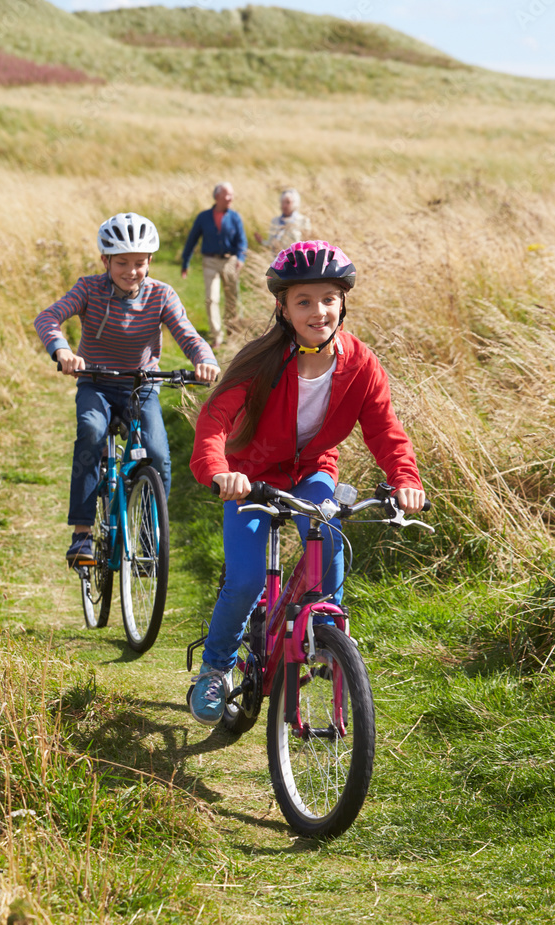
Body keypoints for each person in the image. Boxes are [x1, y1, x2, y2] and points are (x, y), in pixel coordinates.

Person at [188, 239, 426, 726]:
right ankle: (215, 668)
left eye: (328, 298)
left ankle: (322, 637)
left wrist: (405, 478)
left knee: (330, 541)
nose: (318, 310)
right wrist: (219, 473)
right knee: (248, 578)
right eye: (303, 301)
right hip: (249, 477)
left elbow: (385, 430)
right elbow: (214, 421)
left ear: (343, 302)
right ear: (283, 307)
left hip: (314, 469)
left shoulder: (361, 365)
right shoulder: (260, 361)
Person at [35, 212, 220, 568]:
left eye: (139, 263)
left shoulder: (161, 295)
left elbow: (188, 335)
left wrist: (205, 360)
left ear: (150, 261)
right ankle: (82, 534)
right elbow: (48, 318)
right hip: (96, 383)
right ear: (106, 260)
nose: (131, 271)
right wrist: (63, 351)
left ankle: (150, 540)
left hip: (142, 385)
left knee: (157, 453)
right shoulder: (88, 288)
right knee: (90, 431)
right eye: (122, 263)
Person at [180, 182, 248, 349]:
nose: (230, 198)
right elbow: (192, 240)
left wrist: (240, 258)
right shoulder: (203, 217)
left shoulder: (235, 217)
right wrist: (185, 262)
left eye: (232, 194)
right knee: (211, 299)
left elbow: (242, 241)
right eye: (227, 195)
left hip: (230, 262)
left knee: (232, 299)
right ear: (217, 197)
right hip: (210, 261)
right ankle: (217, 335)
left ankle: (232, 333)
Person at [255, 188, 311, 252]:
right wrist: (262, 242)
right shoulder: (275, 221)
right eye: (282, 202)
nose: (284, 206)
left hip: (295, 259)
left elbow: (306, 246)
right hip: (277, 259)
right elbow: (271, 244)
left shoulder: (304, 221)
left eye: (288, 202)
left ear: (295, 203)